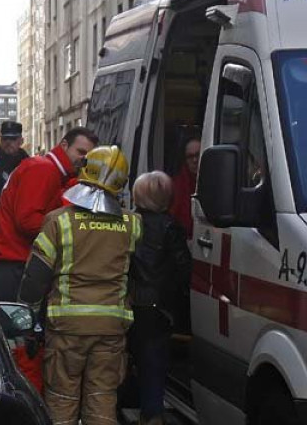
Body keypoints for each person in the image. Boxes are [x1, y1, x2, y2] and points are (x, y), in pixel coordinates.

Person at [18, 145, 141, 425]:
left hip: (67, 328)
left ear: (84, 170)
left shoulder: (58, 221)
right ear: (121, 182)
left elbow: (35, 278)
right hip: (111, 327)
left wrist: (26, 318)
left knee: (62, 398)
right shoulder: (133, 224)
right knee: (102, 397)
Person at [0, 126, 98, 302]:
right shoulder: (43, 169)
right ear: (64, 145)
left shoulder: (48, 170)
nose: (83, 159)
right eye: (80, 151)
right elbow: (28, 222)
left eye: (88, 156)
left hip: (10, 263)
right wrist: (69, 230)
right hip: (12, 264)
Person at [127, 171, 192, 425]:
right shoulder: (171, 226)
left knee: (133, 358)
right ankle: (152, 414)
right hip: (159, 307)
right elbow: (183, 266)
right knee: (154, 362)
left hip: (130, 301)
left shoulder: (129, 222)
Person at [169, 137, 200, 238]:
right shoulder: (176, 185)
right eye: (190, 156)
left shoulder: (219, 180)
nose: (195, 160)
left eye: (198, 155)